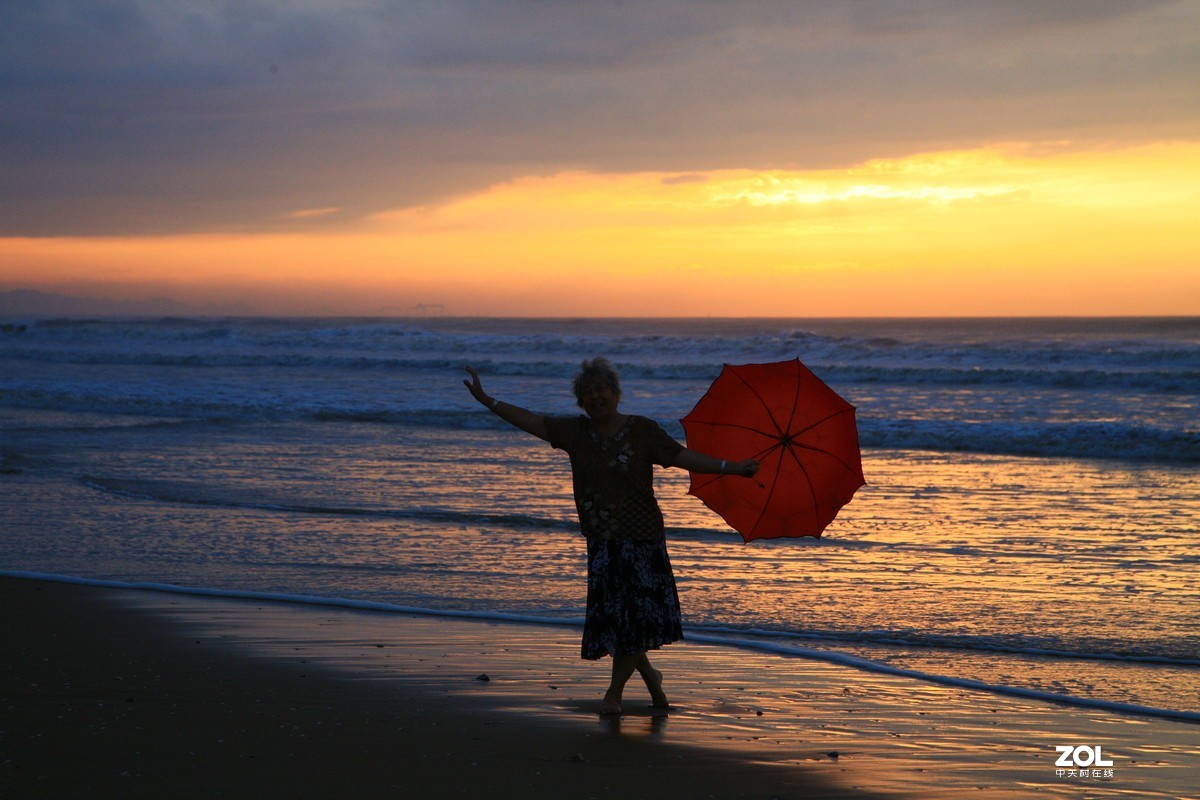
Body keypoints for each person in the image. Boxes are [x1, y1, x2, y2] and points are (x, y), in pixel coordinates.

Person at [463, 358, 759, 715]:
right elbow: (532, 421)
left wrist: (733, 468)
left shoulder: (641, 430)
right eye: (586, 393)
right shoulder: (576, 432)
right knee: (621, 619)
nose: (594, 396)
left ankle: (614, 694)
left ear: (616, 393)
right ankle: (651, 676)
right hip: (601, 539)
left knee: (633, 618)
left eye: (600, 389)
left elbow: (683, 457)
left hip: (643, 537)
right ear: (580, 402)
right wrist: (487, 400)